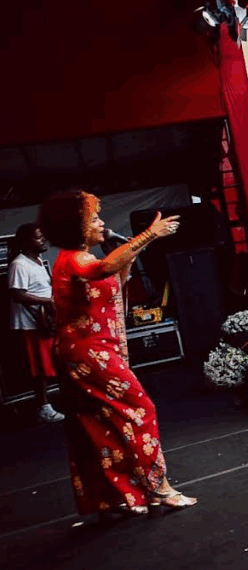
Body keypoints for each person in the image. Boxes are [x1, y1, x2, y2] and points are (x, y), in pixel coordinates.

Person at [39, 190, 196, 514]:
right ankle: (159, 489)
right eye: (94, 218)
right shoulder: (75, 258)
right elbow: (106, 267)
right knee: (140, 410)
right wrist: (150, 233)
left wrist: (143, 241)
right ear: (77, 226)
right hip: (88, 353)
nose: (101, 223)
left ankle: (118, 497)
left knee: (99, 425)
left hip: (92, 351)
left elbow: (116, 269)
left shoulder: (83, 258)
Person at [8, 223, 64, 422]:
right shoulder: (19, 264)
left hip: (43, 320)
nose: (43, 241)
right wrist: (47, 301)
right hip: (30, 324)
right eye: (38, 238)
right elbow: (17, 294)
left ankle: (55, 402)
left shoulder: (38, 260)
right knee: (39, 368)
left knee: (52, 363)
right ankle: (43, 407)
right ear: (26, 242)